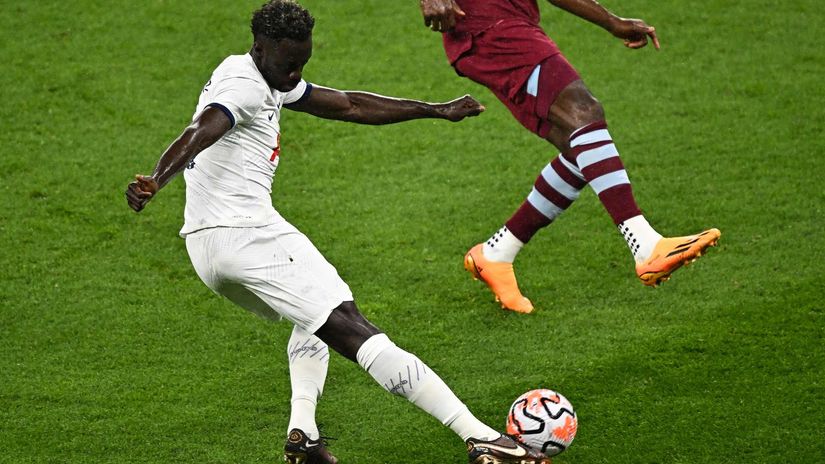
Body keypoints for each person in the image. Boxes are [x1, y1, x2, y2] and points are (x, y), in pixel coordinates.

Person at [126, 2, 549, 463]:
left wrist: (433, 110)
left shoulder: (263, 74)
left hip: (208, 247)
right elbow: (201, 128)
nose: (295, 75)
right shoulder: (243, 88)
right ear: (261, 48)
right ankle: (480, 437)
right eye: (290, 64)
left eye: (302, 64)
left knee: (313, 313)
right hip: (246, 234)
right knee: (353, 327)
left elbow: (350, 104)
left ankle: (304, 435)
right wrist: (156, 179)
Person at [419, 0, 721, 314]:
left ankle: (496, 253)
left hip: (507, 20)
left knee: (583, 149)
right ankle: (645, 245)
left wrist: (611, 21)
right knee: (583, 112)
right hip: (487, 25)